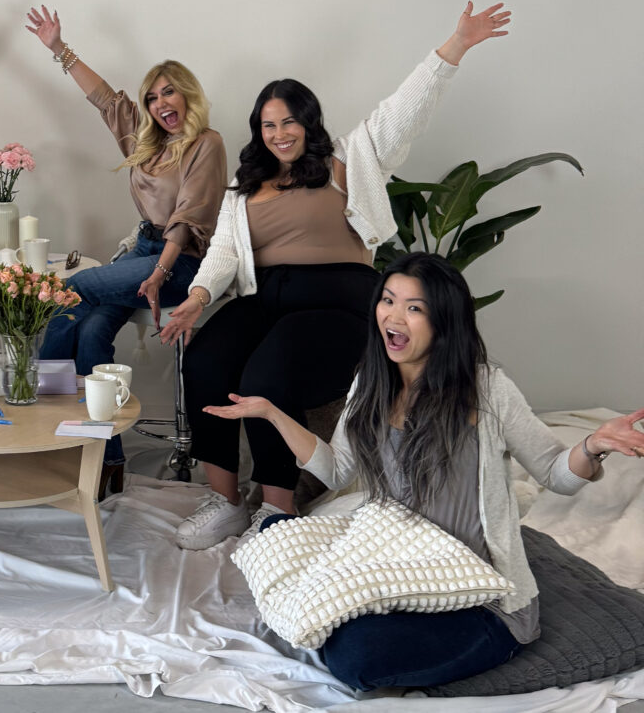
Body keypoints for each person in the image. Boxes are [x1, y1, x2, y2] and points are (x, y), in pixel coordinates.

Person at [203, 252, 644, 690]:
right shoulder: (371, 381)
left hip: (476, 590)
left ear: (445, 322)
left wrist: (593, 445)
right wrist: (272, 414)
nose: (394, 316)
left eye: (415, 308)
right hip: (395, 561)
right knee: (275, 534)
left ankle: (483, 637)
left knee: (355, 658)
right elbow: (338, 471)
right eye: (388, 300)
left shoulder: (486, 388)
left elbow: (554, 473)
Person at [160, 1, 512, 550]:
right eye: (268, 124)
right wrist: (199, 295)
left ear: (309, 121)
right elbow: (227, 250)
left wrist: (455, 47)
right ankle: (224, 501)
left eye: (289, 122)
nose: (279, 134)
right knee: (204, 361)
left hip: (337, 301)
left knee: (265, 376)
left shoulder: (350, 160)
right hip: (266, 298)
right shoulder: (245, 186)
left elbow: (404, 110)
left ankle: (276, 507)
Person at [24, 6, 227, 496]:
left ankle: (43, 426)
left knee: (67, 291)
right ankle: (106, 460)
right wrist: (58, 48)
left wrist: (158, 273)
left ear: (187, 94)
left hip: (184, 263)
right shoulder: (146, 144)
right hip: (143, 251)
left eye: (169, 91)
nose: (160, 103)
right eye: (152, 97)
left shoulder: (207, 144)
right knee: (91, 334)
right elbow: (104, 100)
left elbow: (186, 220)